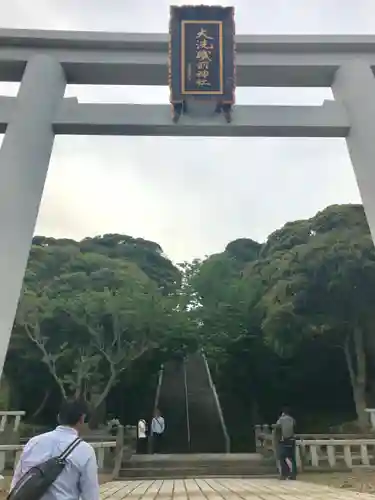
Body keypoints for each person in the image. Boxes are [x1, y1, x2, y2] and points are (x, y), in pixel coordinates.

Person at [11, 400, 100, 500]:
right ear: (82, 419)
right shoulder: (85, 451)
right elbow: (90, 494)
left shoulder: (34, 442)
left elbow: (17, 482)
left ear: (58, 417)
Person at [274, 406, 297, 480]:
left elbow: (277, 427)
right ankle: (293, 474)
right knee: (292, 458)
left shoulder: (281, 419)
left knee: (282, 457)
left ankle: (284, 473)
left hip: (284, 440)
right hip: (292, 440)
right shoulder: (292, 419)